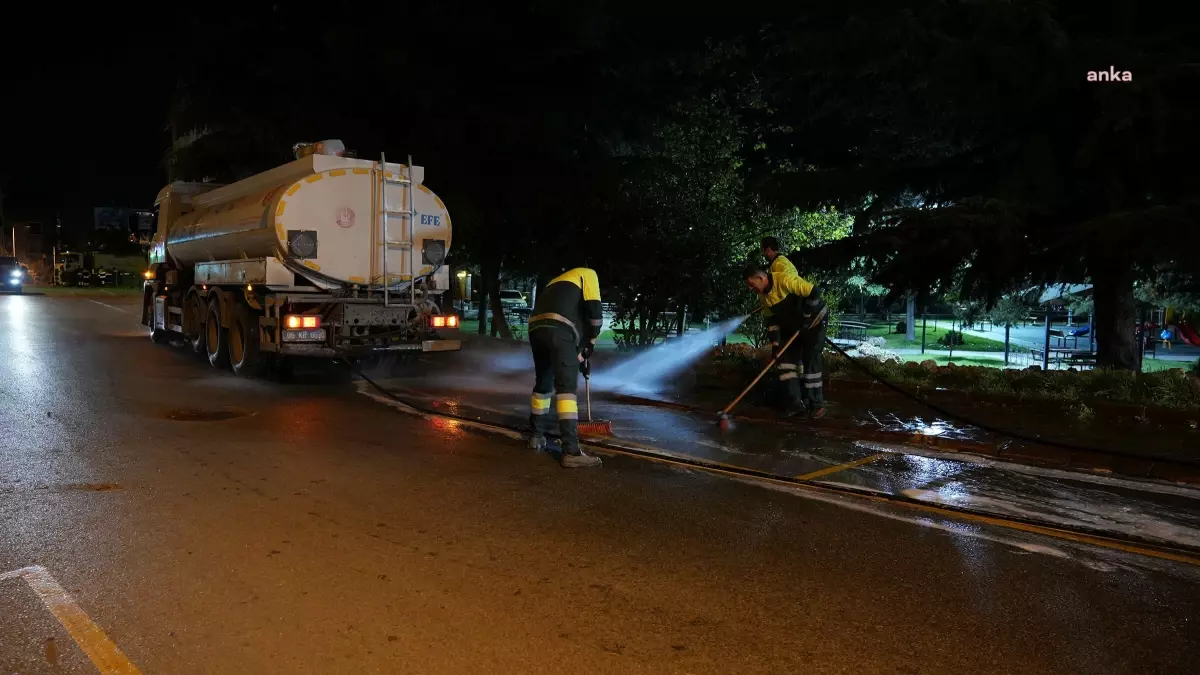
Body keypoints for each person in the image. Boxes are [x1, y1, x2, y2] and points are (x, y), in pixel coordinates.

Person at [526, 266, 604, 468]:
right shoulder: (588, 274)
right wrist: (592, 341)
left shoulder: (557, 283)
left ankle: (535, 436)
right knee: (566, 390)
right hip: (560, 329)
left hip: (536, 327)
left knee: (543, 383)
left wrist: (580, 352)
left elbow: (571, 322)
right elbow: (594, 313)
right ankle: (571, 451)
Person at [745, 264, 828, 419]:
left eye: (751, 284)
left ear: (760, 278)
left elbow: (814, 292)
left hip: (815, 322)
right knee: (784, 362)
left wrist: (806, 316)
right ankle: (795, 404)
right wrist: (776, 346)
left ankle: (816, 405)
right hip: (794, 327)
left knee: (810, 361)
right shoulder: (764, 296)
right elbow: (772, 322)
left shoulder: (783, 279)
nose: (751, 289)